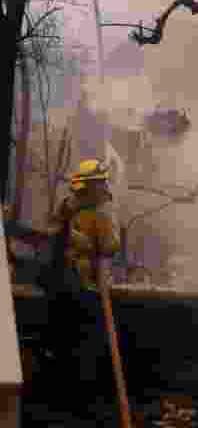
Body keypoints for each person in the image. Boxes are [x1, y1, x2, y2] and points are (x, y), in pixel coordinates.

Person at [41, 159, 122, 415]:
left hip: (81, 285)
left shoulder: (97, 211)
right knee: (73, 342)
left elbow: (109, 246)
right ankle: (70, 399)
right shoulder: (76, 208)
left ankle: (79, 400)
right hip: (72, 286)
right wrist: (72, 236)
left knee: (79, 344)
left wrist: (79, 239)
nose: (102, 188)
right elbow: (53, 233)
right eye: (99, 184)